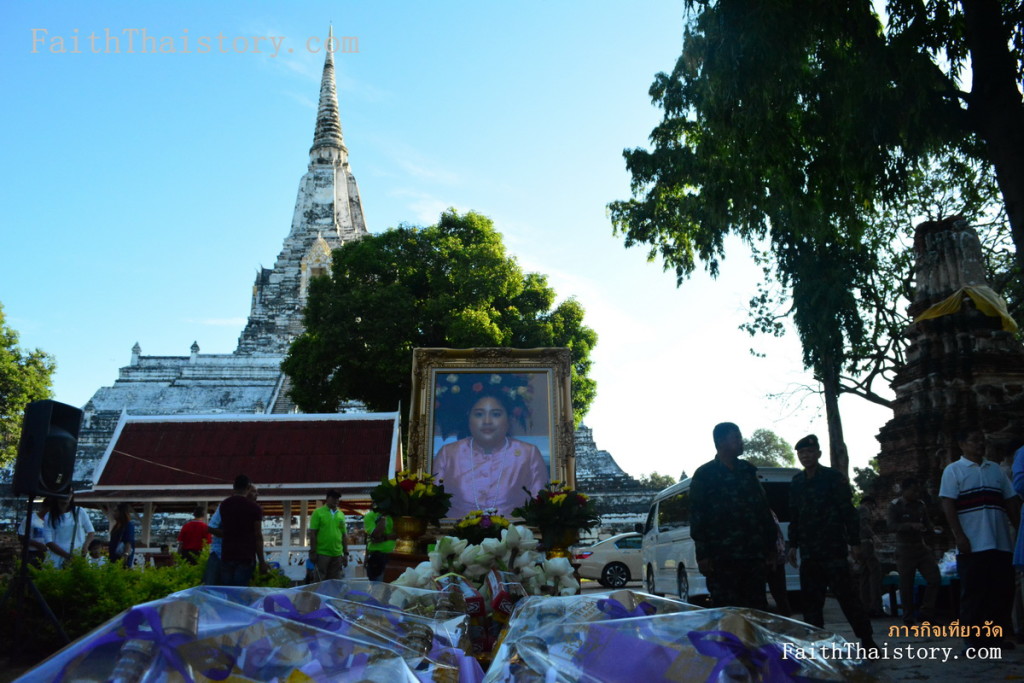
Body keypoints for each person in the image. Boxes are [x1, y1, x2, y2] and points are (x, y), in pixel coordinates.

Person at [787, 434, 876, 650]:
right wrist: (792, 545)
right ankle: (816, 645)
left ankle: (867, 640)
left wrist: (855, 543)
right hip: (809, 553)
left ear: (818, 453)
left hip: (833, 549)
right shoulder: (797, 482)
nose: (805, 456)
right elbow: (795, 516)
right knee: (811, 603)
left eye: (809, 452)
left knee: (847, 597)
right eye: (801, 453)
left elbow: (848, 511)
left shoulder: (833, 478)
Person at [940, 430, 1019, 651]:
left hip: (1000, 541)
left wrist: (1020, 532)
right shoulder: (953, 470)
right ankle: (973, 640)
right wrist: (960, 536)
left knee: (1001, 592)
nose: (980, 444)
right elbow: (948, 504)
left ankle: (996, 637)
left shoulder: (994, 469)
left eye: (982, 440)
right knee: (974, 593)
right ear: (962, 443)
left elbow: (1011, 501)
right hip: (972, 543)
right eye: (974, 440)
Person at [690, 422, 776, 609]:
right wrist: (702, 555)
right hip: (721, 559)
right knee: (727, 612)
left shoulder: (748, 471)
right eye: (736, 437)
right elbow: (697, 517)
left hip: (753, 556)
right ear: (721, 441)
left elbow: (763, 510)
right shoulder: (704, 475)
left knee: (756, 610)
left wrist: (771, 548)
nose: (741, 441)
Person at [433, 387, 548, 519]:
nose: (487, 421)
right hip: (454, 536)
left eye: (496, 414)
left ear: (508, 419)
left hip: (517, 538)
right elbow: (433, 507)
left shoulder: (528, 454)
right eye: (479, 414)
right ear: (468, 417)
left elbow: (541, 508)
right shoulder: (448, 454)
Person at [887, 478, 941, 625]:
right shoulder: (895, 506)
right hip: (904, 549)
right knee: (906, 585)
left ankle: (926, 612)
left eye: (918, 491)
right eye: (913, 490)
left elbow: (927, 523)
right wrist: (910, 526)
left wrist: (933, 529)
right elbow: (891, 526)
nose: (916, 494)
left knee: (934, 578)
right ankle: (908, 617)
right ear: (905, 490)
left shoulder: (921, 505)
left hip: (921, 548)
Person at [217, 474, 267, 586]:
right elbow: (258, 535)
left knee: (228, 591)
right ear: (248, 488)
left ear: (234, 487)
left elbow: (222, 528)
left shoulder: (224, 505)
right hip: (246, 555)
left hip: (227, 553)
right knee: (240, 592)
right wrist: (262, 561)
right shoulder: (254, 508)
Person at [45, 493, 95, 568]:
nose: (67, 496)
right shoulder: (49, 516)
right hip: (58, 557)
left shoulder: (79, 511)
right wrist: (68, 556)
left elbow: (91, 532)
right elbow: (48, 541)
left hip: (79, 555)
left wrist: (86, 546)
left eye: (70, 493)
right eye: (65, 493)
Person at [308, 489, 348, 581]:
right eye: (333, 498)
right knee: (320, 581)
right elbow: (313, 533)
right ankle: (318, 596)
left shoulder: (341, 514)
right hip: (322, 553)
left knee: (335, 582)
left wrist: (345, 553)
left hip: (337, 554)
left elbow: (344, 535)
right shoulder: (318, 512)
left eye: (338, 498)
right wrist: (313, 552)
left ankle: (332, 596)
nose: (336, 500)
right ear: (327, 498)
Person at [856, 495, 884, 617]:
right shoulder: (864, 509)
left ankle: (865, 607)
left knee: (864, 575)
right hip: (866, 544)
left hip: (859, 545)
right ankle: (876, 607)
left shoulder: (857, 510)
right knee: (875, 574)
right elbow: (864, 525)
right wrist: (875, 537)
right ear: (869, 503)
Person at [363, 507, 396, 581]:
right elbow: (376, 535)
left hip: (393, 556)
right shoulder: (370, 516)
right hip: (376, 556)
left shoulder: (395, 515)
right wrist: (383, 517)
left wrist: (384, 538)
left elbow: (400, 534)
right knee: (377, 587)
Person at [18, 499, 52, 568]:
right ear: (44, 507)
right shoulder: (30, 519)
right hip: (32, 553)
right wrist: (37, 545)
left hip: (48, 554)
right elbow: (21, 536)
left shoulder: (52, 521)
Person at [108, 502, 136, 567]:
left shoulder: (128, 525)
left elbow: (128, 542)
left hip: (121, 559)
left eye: (116, 511)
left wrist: (125, 556)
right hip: (114, 558)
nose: (114, 513)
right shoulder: (117, 526)